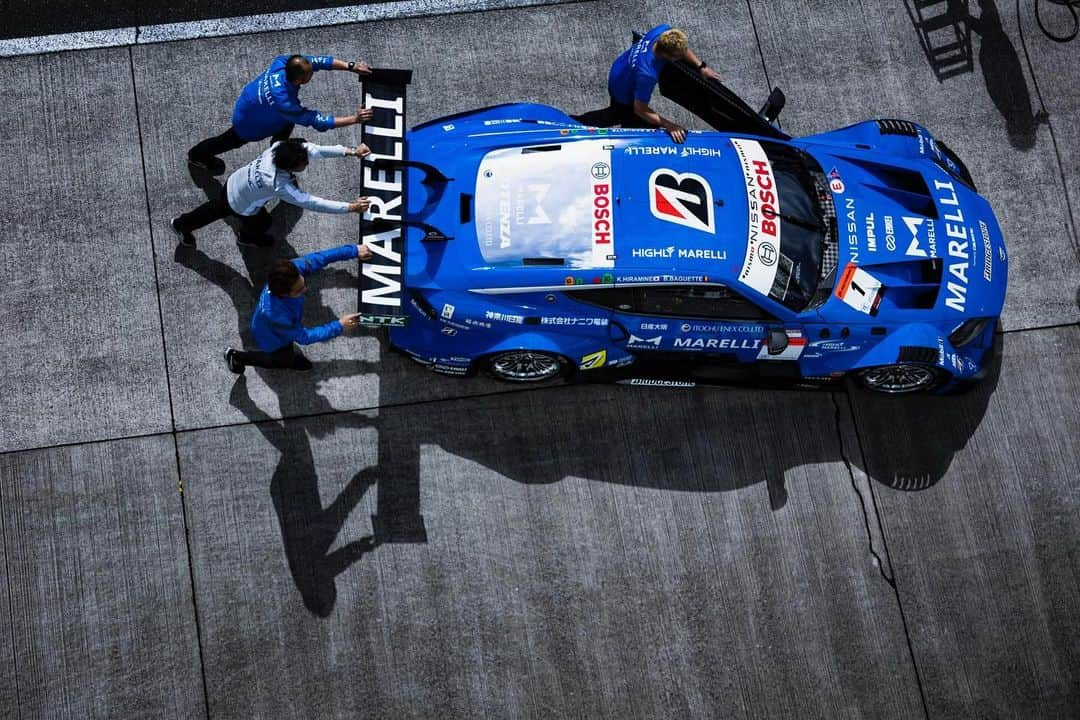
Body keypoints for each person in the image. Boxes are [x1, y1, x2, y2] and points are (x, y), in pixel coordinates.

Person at [188, 54, 374, 174]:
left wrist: (352, 66)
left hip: (249, 104)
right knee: (228, 141)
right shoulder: (286, 103)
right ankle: (196, 155)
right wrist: (355, 119)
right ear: (301, 80)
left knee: (287, 126)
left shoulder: (283, 62)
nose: (313, 73)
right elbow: (318, 121)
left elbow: (318, 61)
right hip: (248, 125)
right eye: (310, 74)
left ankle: (278, 151)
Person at [171, 139, 371, 248]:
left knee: (214, 208)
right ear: (289, 168)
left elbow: (314, 149)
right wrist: (350, 208)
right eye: (304, 163)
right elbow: (312, 202)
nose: (307, 163)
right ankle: (245, 238)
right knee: (262, 223)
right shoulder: (278, 186)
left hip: (234, 181)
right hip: (239, 203)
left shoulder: (278, 148)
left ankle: (181, 223)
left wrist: (352, 151)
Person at [225, 243, 374, 373]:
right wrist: (339, 325)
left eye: (302, 284)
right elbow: (305, 337)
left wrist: (353, 251)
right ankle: (237, 357)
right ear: (284, 294)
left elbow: (319, 258)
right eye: (298, 290)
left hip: (269, 323)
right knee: (281, 359)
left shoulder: (289, 272)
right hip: (272, 339)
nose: (305, 289)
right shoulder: (278, 316)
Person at [573, 25, 721, 143]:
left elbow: (682, 49)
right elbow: (640, 110)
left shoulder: (662, 31)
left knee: (624, 117)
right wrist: (670, 125)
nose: (682, 57)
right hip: (622, 90)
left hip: (620, 68)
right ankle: (574, 123)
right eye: (678, 57)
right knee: (624, 118)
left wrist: (701, 66)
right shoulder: (647, 74)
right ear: (667, 56)